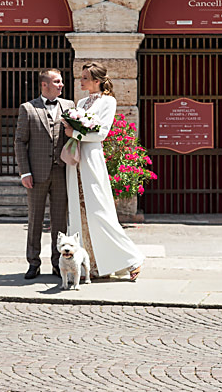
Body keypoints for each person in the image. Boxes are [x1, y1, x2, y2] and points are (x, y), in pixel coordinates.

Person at [65, 63, 145, 281]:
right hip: (76, 163)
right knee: (80, 214)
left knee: (100, 213)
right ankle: (93, 265)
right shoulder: (81, 102)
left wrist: (77, 133)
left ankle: (132, 259)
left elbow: (102, 133)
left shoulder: (108, 101)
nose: (80, 81)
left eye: (84, 78)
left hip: (92, 158)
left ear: (96, 80)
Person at [14, 68, 72, 280]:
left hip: (61, 172)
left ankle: (58, 264)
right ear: (44, 84)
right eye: (57, 81)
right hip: (36, 174)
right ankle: (33, 263)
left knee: (59, 221)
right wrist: (25, 172)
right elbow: (20, 141)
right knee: (35, 220)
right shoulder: (28, 108)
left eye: (61, 82)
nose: (61, 85)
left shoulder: (69, 106)